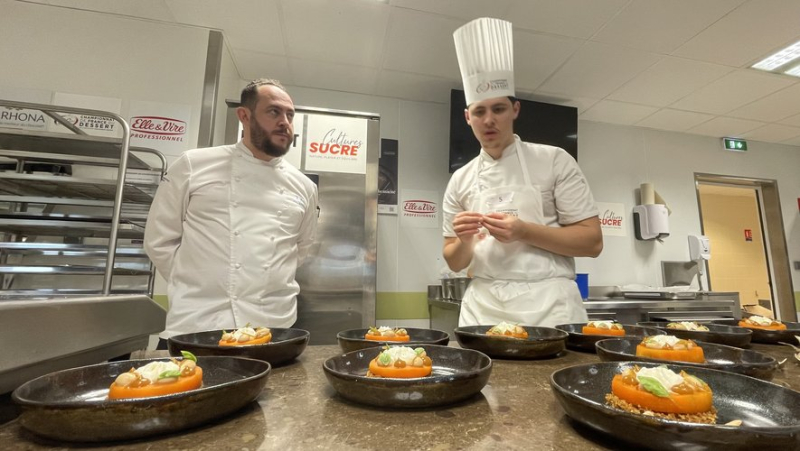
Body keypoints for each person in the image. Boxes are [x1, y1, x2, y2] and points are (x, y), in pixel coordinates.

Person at [443, 18, 602, 328]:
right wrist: (465, 242)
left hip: (551, 308)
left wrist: (524, 231)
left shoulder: (555, 160)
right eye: (479, 111)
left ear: (515, 110)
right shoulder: (459, 179)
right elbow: (454, 261)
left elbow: (592, 242)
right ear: (467, 117)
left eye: (498, 109)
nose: (489, 120)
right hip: (483, 310)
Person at [144, 79, 319, 348]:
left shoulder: (304, 186)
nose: (285, 122)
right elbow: (159, 240)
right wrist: (202, 281)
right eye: (274, 112)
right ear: (244, 116)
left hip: (273, 329)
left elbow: (302, 248)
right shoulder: (194, 164)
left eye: (290, 115)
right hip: (198, 325)